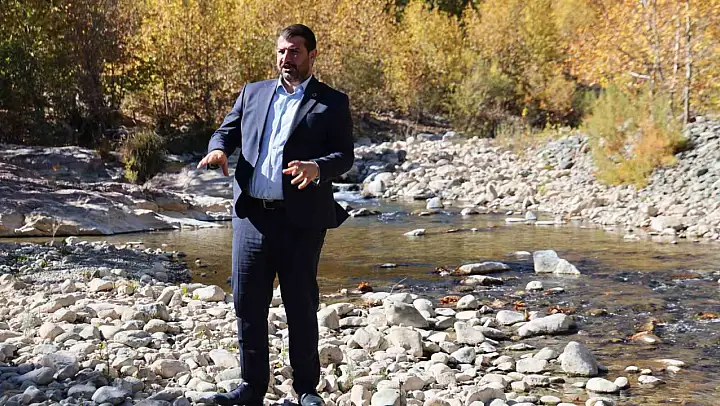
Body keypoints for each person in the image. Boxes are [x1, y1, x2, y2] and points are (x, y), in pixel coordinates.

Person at [197, 24, 354, 406]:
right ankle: (251, 388)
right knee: (247, 304)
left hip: (301, 221)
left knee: (300, 305)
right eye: (282, 51)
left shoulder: (332, 102)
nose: (287, 58)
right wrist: (218, 149)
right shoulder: (253, 92)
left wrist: (318, 167)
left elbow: (344, 156)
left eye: (295, 51)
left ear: (312, 55)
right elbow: (226, 131)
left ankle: (306, 390)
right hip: (251, 217)